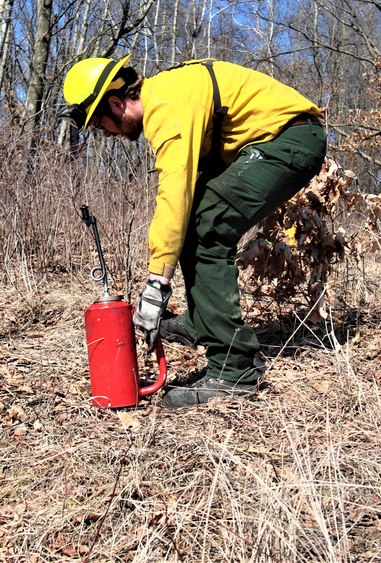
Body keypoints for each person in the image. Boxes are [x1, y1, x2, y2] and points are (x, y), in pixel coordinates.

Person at [59, 55, 327, 408]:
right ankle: (202, 321)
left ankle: (235, 370)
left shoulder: (168, 107)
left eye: (100, 124)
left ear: (115, 102)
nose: (106, 134)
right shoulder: (167, 96)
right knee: (195, 222)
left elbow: (174, 195)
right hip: (270, 144)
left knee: (207, 226)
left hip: (290, 141)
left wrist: (157, 285)